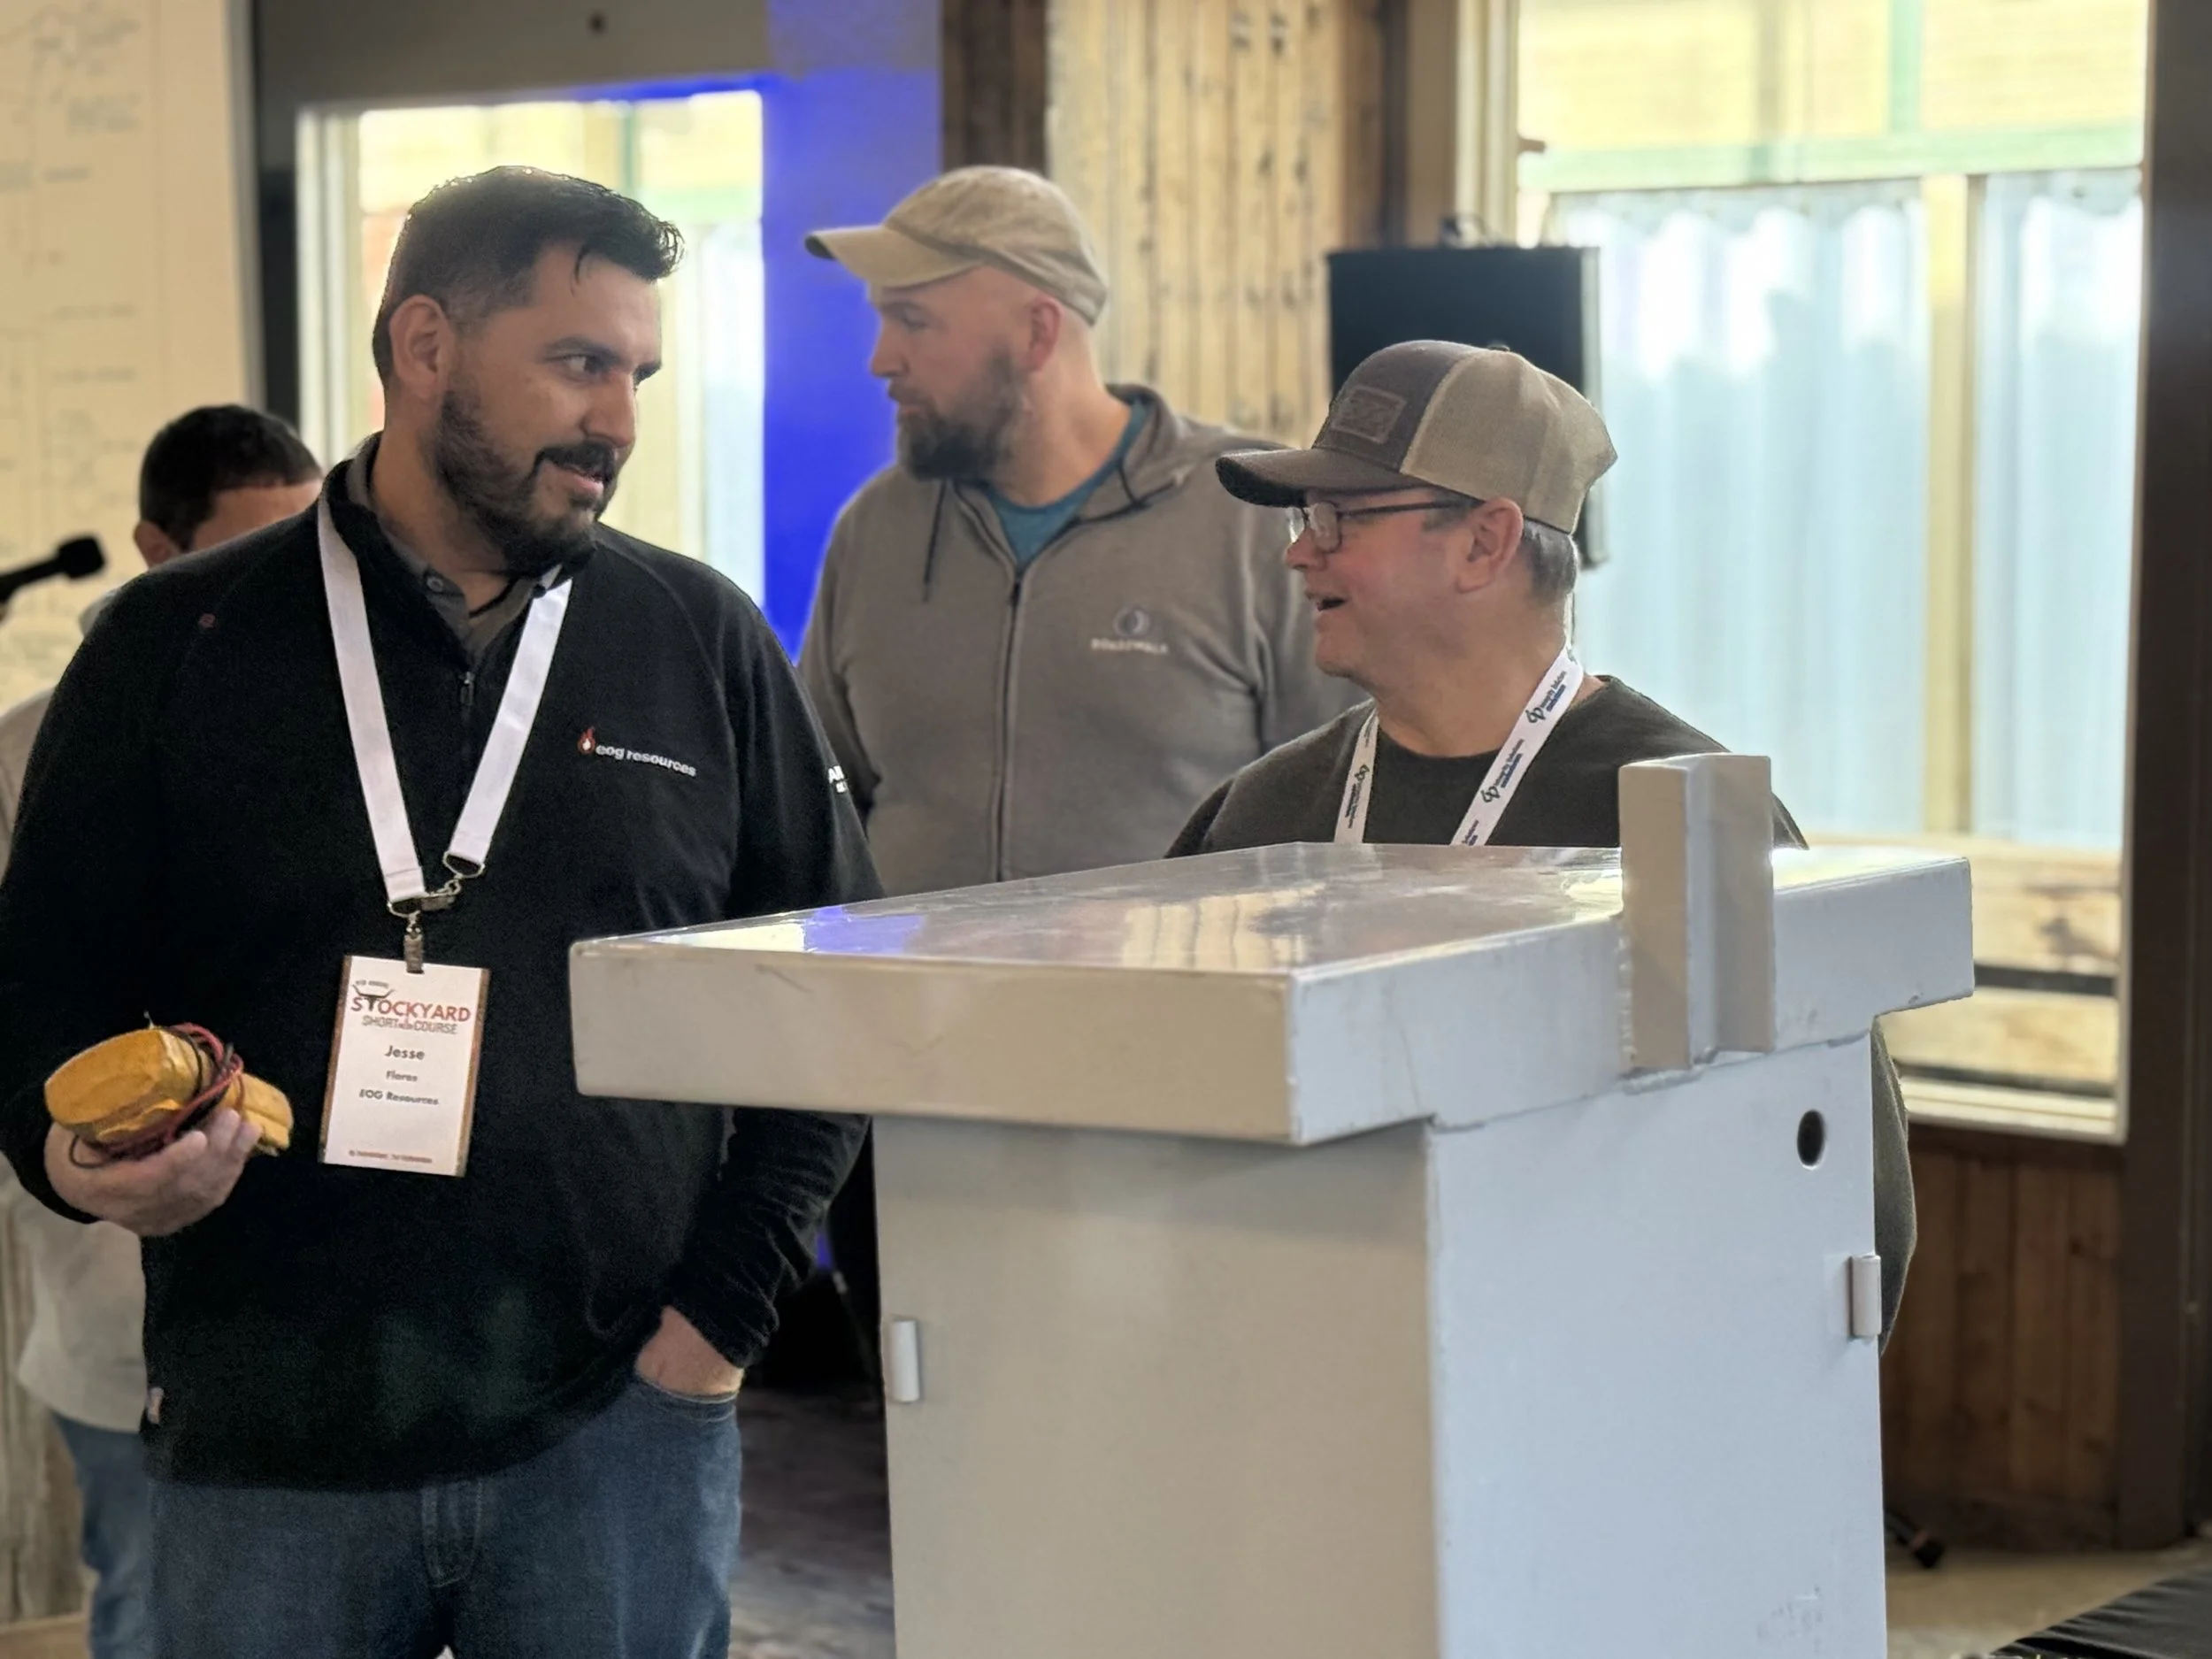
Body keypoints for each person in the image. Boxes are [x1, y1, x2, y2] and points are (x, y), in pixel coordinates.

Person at [0, 166, 873, 1658]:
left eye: (640, 373)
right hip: (267, 1440)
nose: (621, 419)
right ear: (423, 350)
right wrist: (85, 1166)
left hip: (620, 1429)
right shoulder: (175, 646)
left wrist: (720, 1324)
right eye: (579, 362)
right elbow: (38, 1000)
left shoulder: (695, 639)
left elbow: (834, 986)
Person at [1170, 339, 1916, 1338]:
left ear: (1485, 541)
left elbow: (1851, 1206)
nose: (1302, 550)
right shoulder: (1260, 819)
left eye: (1341, 518)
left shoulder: (1679, 824)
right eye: (1310, 518)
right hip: (1309, 1382)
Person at [799, 165, 1360, 898]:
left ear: (1037, 332)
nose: (881, 359)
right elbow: (821, 799)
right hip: (916, 1010)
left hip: (1178, 1009)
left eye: (913, 321)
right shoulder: (875, 531)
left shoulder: (1248, 520)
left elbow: (1346, 801)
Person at [0, 404, 320, 1659]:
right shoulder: (26, 756)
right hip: (115, 1310)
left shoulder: (330, 739)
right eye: (239, 549)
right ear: (151, 545)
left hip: (313, 1307)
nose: (272, 586)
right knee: (151, 1603)